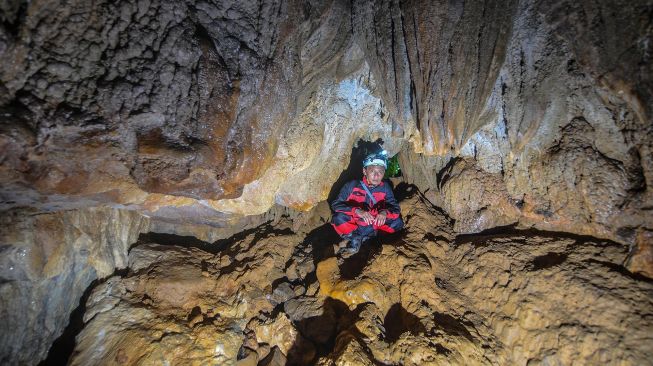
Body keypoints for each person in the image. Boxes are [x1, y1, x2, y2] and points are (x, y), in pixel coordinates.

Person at [331, 150, 404, 257]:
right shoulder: (352, 185)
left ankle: (375, 239)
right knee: (338, 218)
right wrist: (356, 211)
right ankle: (355, 238)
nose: (377, 175)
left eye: (381, 171)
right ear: (364, 171)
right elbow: (336, 204)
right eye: (372, 171)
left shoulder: (385, 187)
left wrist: (384, 212)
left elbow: (395, 208)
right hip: (356, 222)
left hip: (375, 223)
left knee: (398, 223)